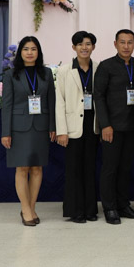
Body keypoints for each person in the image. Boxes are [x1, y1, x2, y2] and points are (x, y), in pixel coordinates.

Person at [1, 36, 56, 226]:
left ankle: (31, 208)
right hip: (18, 128)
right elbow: (6, 105)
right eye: (26, 49)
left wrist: (53, 126)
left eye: (33, 49)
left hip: (41, 126)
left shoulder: (46, 73)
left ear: (38, 52)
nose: (30, 52)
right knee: (22, 168)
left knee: (37, 168)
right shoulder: (11, 74)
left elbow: (51, 101)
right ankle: (25, 209)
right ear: (20, 53)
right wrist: (6, 132)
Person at [93, 29, 134, 225]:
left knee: (125, 168)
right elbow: (99, 97)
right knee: (110, 168)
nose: (126, 46)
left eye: (130, 42)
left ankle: (123, 205)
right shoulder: (106, 66)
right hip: (112, 128)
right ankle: (109, 208)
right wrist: (105, 125)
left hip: (132, 127)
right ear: (115, 44)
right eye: (122, 42)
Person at [55, 31, 99, 223]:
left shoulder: (99, 68)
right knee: (74, 170)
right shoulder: (64, 71)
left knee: (90, 168)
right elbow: (59, 102)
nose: (84, 47)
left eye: (88, 44)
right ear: (74, 47)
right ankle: (76, 211)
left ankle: (90, 210)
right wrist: (61, 131)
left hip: (93, 125)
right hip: (73, 126)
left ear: (93, 47)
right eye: (80, 44)